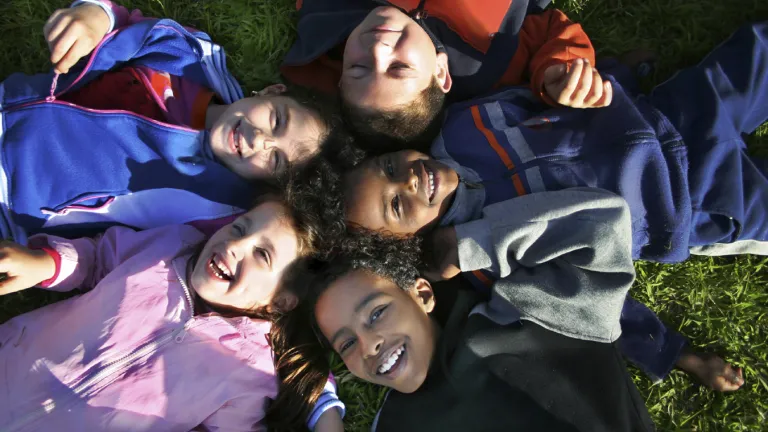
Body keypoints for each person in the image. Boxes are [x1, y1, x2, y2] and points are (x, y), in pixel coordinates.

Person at [339, 21, 768, 390]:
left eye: (391, 165)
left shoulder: (461, 127)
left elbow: (546, 99)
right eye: (397, 206)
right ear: (410, 245)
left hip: (673, 114)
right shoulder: (486, 263)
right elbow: (592, 306)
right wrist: (677, 355)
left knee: (756, 52)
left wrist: (616, 75)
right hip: (695, 203)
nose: (408, 180)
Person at [305, 189, 654, 431]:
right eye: (346, 344)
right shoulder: (393, 424)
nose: (368, 346)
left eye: (377, 313)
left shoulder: (532, 315)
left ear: (422, 294)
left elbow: (599, 224)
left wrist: (463, 247)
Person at [0, 1, 346, 243]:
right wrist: (94, 17)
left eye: (275, 159)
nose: (258, 139)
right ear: (272, 90)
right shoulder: (191, 56)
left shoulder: (218, 206)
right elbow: (126, 24)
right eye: (276, 119)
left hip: (11, 205)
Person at [0, 191, 344, 431]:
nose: (236, 245)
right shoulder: (170, 246)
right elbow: (98, 259)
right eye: (240, 227)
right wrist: (45, 264)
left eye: (263, 255)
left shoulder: (249, 374)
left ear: (281, 301)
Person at [281, 0, 612, 150]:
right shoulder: (490, 61)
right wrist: (556, 69)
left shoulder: (328, 13)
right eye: (399, 68)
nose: (379, 49)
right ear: (441, 72)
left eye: (357, 67)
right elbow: (549, 27)